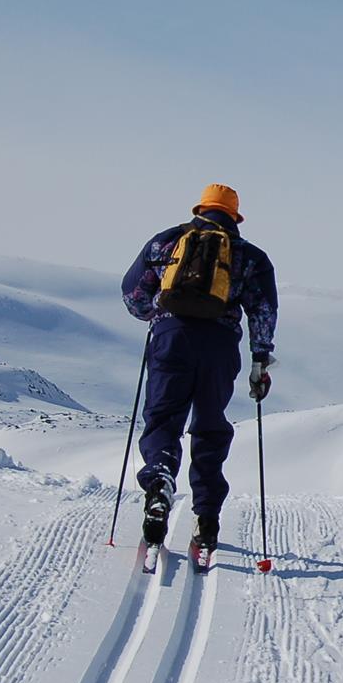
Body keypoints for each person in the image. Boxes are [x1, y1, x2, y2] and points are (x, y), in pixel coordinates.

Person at [121, 183, 277, 560]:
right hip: (220, 345)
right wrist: (260, 360)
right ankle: (206, 517)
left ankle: (159, 482)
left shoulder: (167, 242)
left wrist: (157, 314)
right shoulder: (248, 256)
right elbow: (262, 312)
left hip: (170, 337)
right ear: (235, 217)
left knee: (163, 419)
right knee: (209, 426)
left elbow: (133, 295)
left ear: (200, 209)